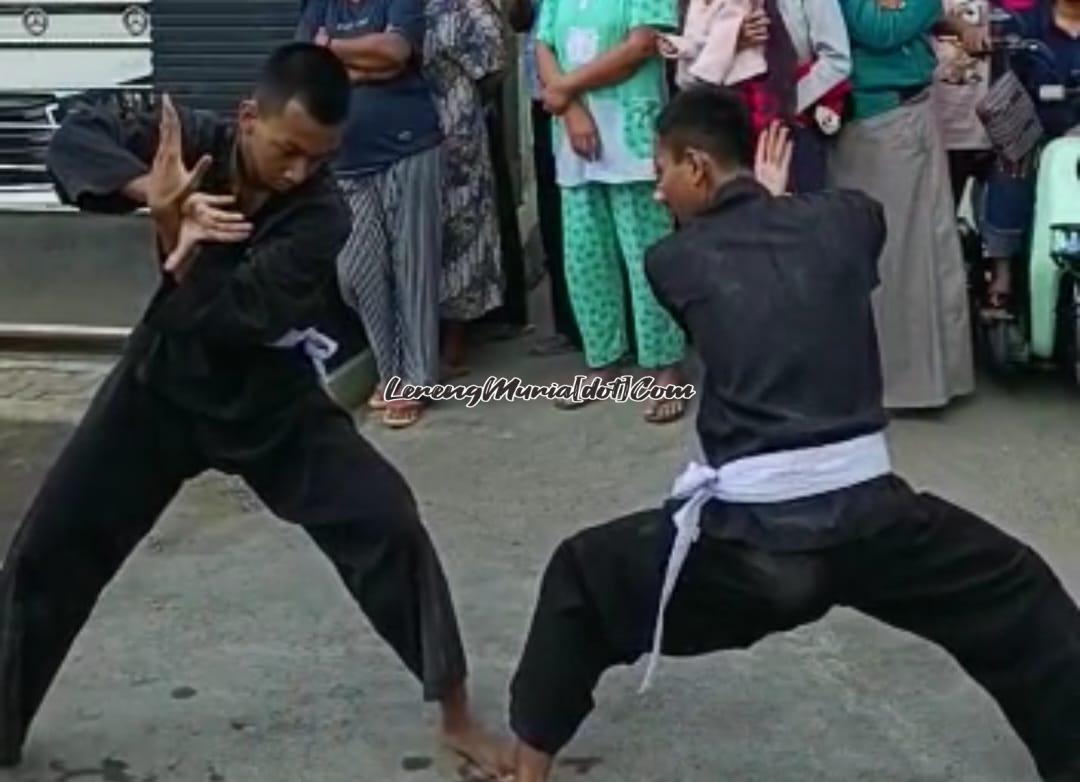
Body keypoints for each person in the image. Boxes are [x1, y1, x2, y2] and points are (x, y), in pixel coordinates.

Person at [506, 87, 1080, 782]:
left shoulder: (674, 262)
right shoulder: (844, 220)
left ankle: (526, 766)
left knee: (583, 575)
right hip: (875, 526)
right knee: (1019, 594)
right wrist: (781, 208)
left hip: (751, 544)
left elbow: (743, 280)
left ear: (696, 167)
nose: (657, 194)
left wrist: (767, 215)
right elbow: (812, 252)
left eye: (661, 173)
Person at [0, 44, 508, 777]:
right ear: (249, 118)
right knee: (50, 547)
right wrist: (153, 191)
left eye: (320, 157)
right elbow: (76, 132)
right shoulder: (191, 141)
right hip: (160, 387)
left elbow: (234, 316)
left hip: (267, 398)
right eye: (289, 151)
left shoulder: (323, 215)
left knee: (385, 518)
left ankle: (456, 712)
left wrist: (179, 237)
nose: (301, 171)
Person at [535, 0, 690, 424]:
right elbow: (543, 45)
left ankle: (665, 365)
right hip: (573, 135)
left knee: (647, 253)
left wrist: (564, 90)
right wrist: (569, 107)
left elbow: (640, 46)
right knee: (586, 257)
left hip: (630, 132)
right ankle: (602, 360)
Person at [297, 0, 444, 429]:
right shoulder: (320, 8)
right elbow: (307, 67)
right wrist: (368, 65)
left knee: (413, 267)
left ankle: (412, 381)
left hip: (409, 145)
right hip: (346, 159)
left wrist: (334, 51)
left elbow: (396, 53)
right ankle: (389, 368)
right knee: (356, 272)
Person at [828, 0, 975, 410]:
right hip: (876, 117)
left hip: (911, 107)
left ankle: (931, 381)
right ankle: (894, 386)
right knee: (894, 255)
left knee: (930, 247)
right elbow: (878, 29)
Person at [421, 0, 508, 376]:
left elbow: (494, 63)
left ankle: (456, 339)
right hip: (399, 124)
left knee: (463, 229)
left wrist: (462, 104)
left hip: (455, 125)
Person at [979, 0, 1080, 318]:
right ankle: (1002, 270)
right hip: (1034, 133)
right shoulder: (1024, 26)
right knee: (1011, 162)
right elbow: (1006, 80)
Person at [509, 0, 582, 356]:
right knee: (555, 216)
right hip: (547, 101)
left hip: (595, 94)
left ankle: (631, 330)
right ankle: (570, 324)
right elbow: (520, 21)